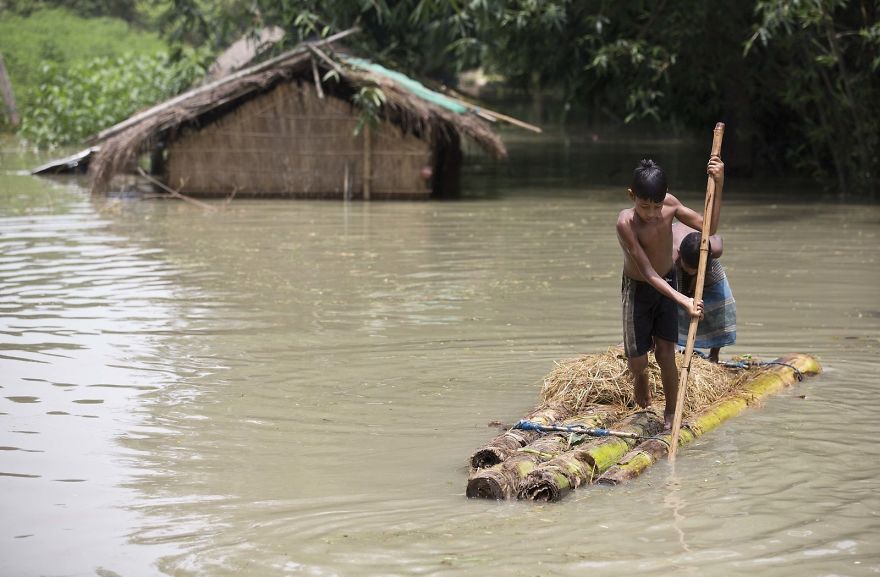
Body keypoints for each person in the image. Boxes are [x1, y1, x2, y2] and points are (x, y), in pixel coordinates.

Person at [616, 157, 725, 430]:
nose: (652, 213)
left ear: (664, 197)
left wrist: (719, 182)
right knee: (638, 361)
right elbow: (646, 271)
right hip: (639, 288)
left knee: (666, 353)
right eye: (644, 206)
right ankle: (640, 377)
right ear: (632, 196)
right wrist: (684, 299)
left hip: (667, 280)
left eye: (656, 205)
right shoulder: (626, 223)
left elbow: (709, 228)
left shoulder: (670, 205)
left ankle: (671, 411)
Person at [672, 223, 736, 362]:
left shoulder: (715, 249)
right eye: (689, 268)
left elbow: (717, 238)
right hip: (677, 265)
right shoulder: (670, 254)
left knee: (720, 305)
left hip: (706, 264)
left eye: (694, 269)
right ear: (679, 253)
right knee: (669, 305)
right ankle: (672, 346)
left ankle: (714, 355)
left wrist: (699, 273)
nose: (691, 272)